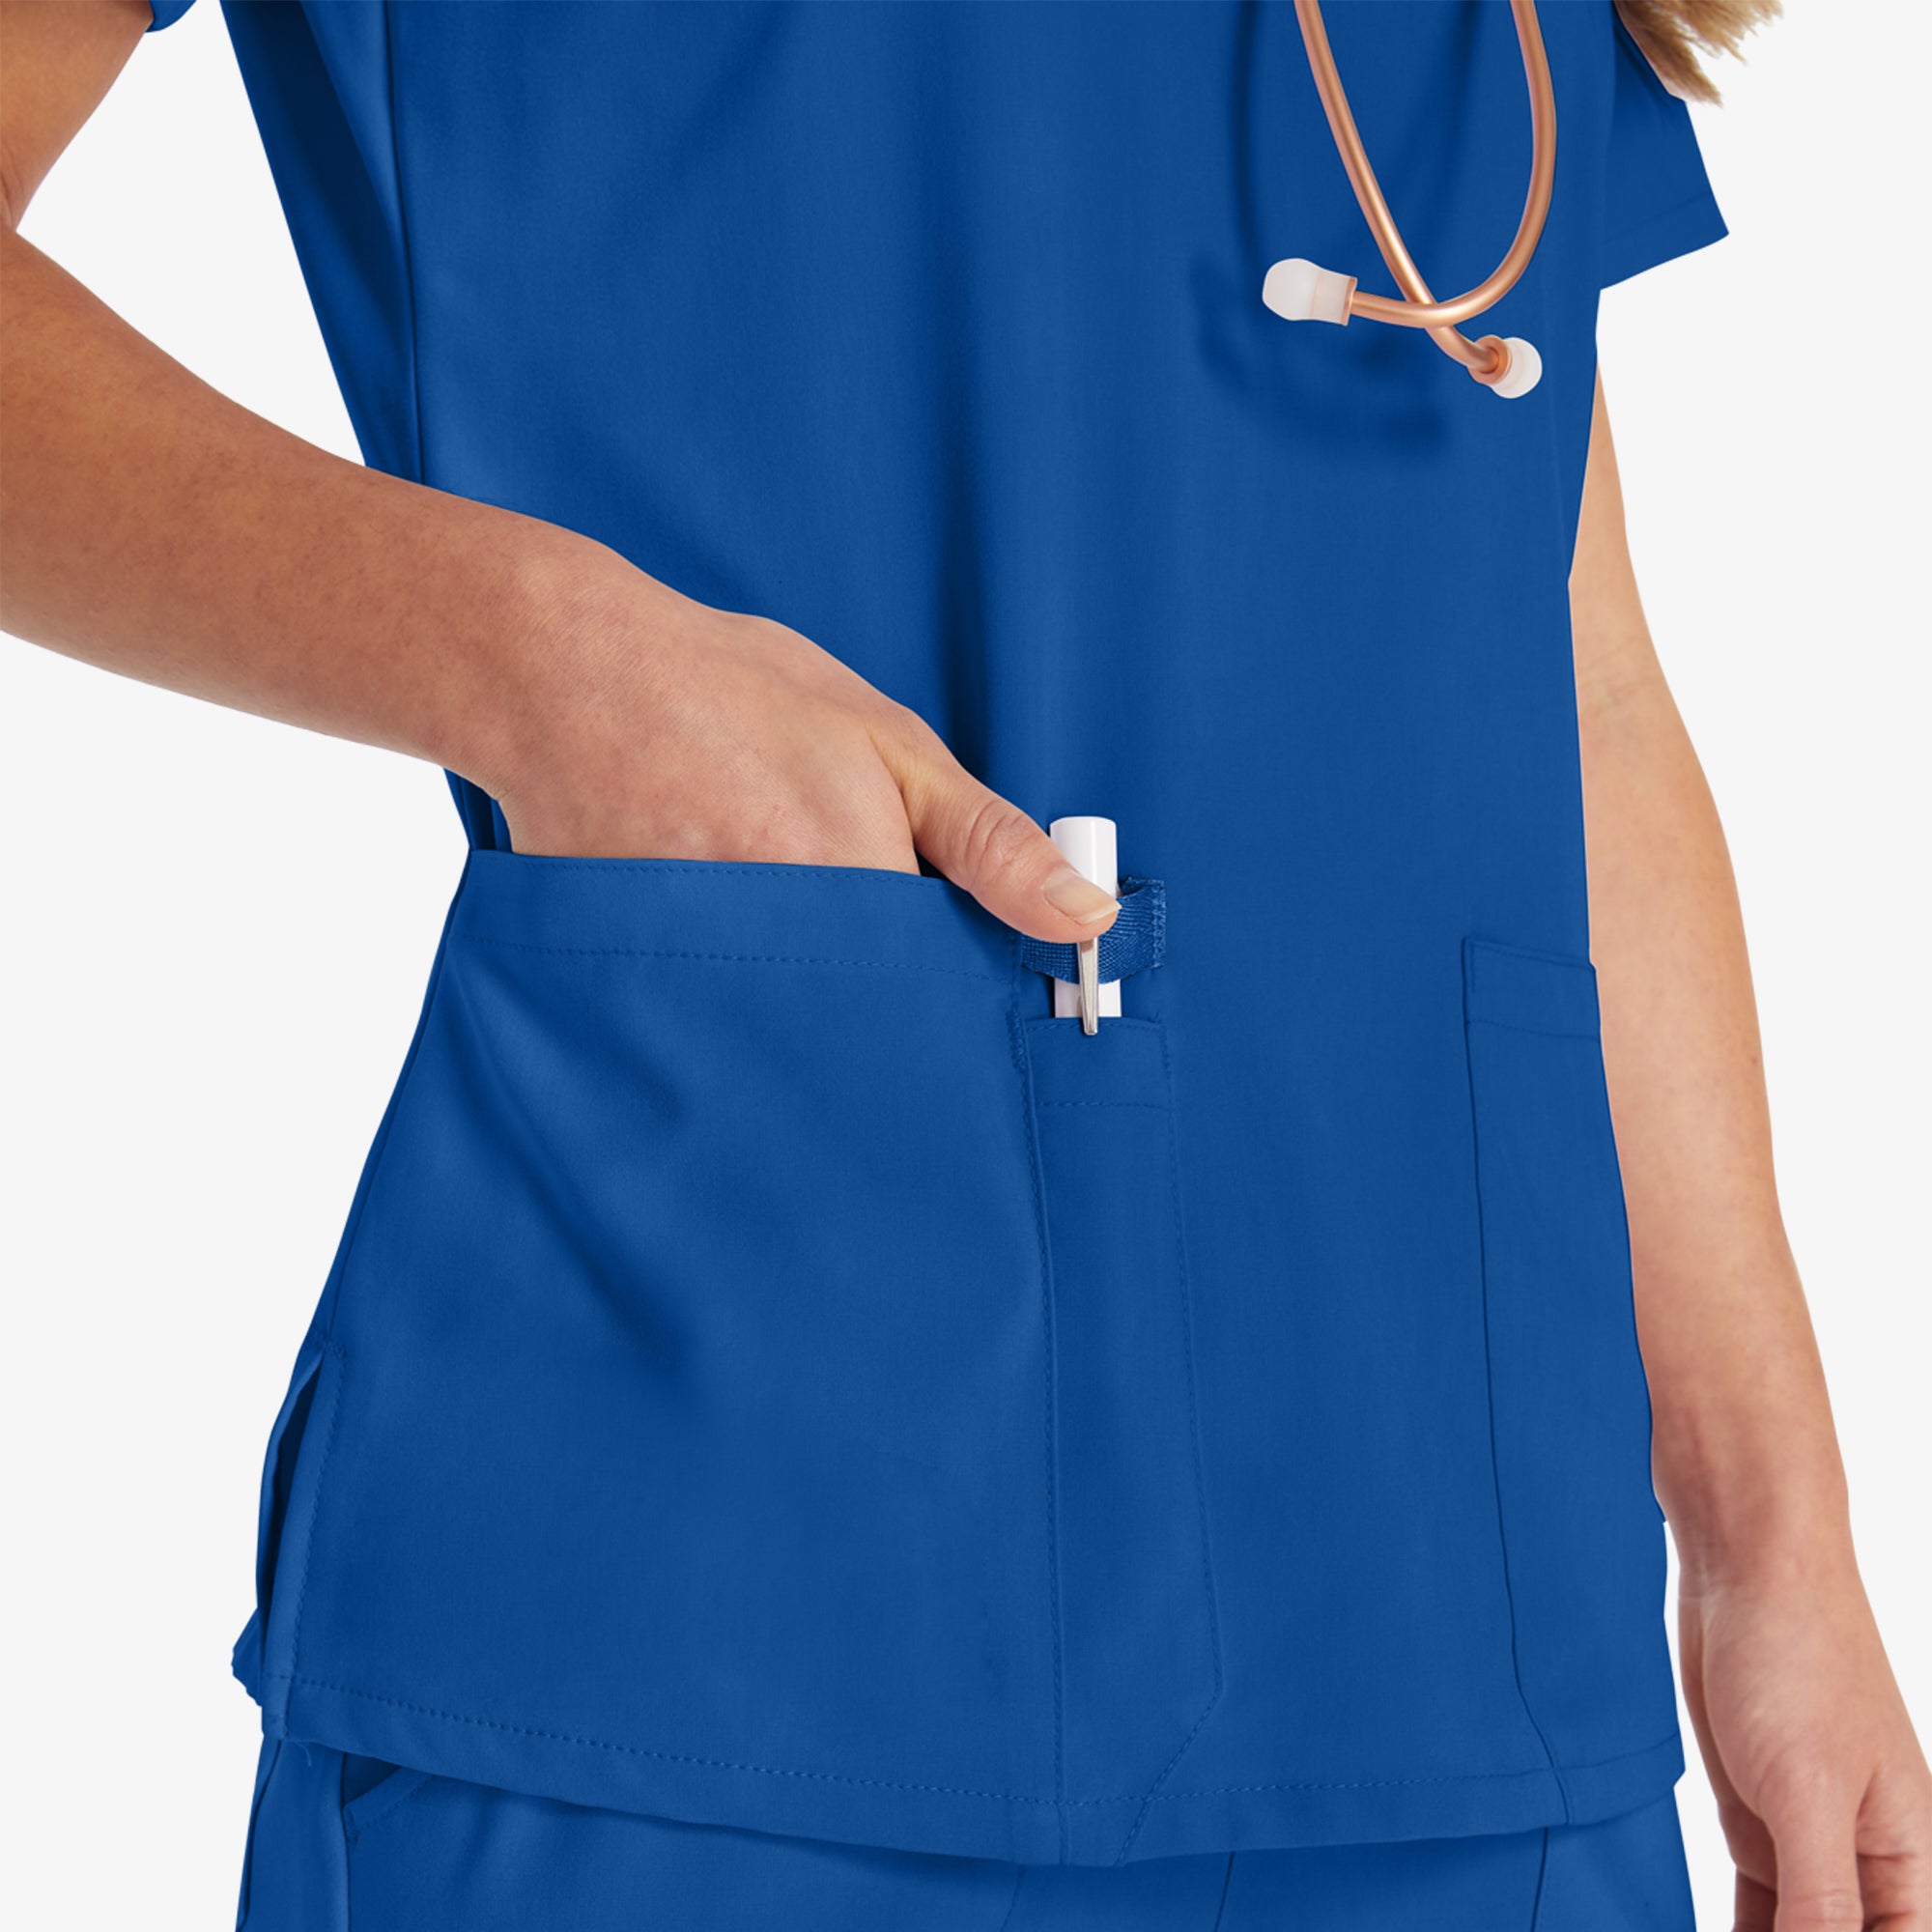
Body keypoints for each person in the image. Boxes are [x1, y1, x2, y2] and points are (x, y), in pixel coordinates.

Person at [3, 2, 1925, 1927]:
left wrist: (1770, 1537)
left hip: (1473, 1665)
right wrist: (546, 664)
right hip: (703, 1628)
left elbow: (1559, 663)